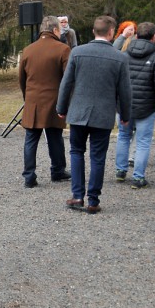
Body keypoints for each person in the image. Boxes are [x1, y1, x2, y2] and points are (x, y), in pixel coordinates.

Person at [56, 16, 132, 214]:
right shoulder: (120, 57)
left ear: (93, 31)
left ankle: (77, 195)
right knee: (98, 157)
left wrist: (61, 108)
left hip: (79, 112)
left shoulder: (77, 53)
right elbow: (125, 90)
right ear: (111, 33)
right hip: (103, 114)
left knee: (76, 152)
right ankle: (93, 200)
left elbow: (66, 83)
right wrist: (125, 114)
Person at [114, 22, 155, 189]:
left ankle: (120, 170)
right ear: (154, 37)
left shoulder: (124, 55)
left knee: (123, 137)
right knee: (143, 142)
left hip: (124, 105)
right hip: (146, 107)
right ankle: (138, 177)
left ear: (137, 35)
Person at [18, 16, 72, 188]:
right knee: (55, 137)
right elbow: (68, 79)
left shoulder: (28, 50)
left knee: (31, 138)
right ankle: (57, 170)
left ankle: (29, 175)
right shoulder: (63, 49)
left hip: (33, 100)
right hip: (55, 100)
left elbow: (22, 79)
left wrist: (28, 97)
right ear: (55, 30)